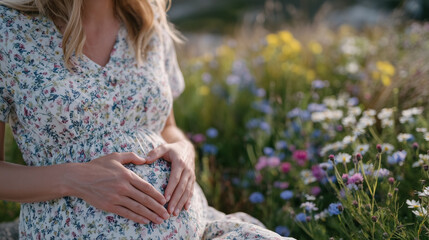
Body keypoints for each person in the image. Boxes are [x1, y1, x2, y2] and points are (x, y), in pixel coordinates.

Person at [0, 0, 293, 239]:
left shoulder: (148, 19)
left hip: (197, 227)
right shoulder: (10, 29)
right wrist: (75, 179)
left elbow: (168, 127)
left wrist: (185, 152)